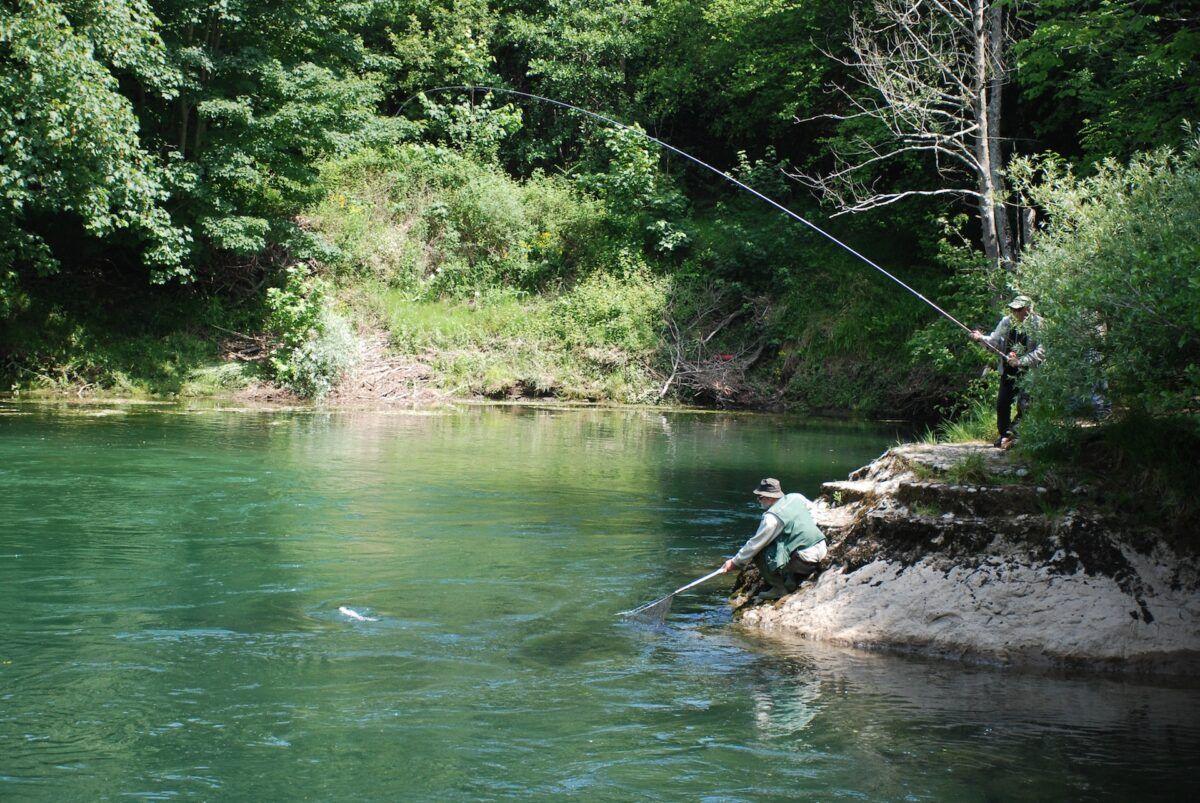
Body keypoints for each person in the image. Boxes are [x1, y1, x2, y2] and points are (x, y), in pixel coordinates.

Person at [721, 478, 827, 600]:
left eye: (760, 497)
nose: (758, 500)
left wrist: (734, 563)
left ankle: (780, 588)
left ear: (770, 498)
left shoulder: (771, 519)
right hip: (822, 548)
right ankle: (791, 577)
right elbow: (814, 511)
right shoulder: (796, 497)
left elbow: (754, 545)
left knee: (759, 551)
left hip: (804, 560)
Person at [971, 295, 1045, 448]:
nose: (1014, 312)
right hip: (1008, 370)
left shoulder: (1039, 324)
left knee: (1025, 405)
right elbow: (994, 342)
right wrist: (980, 338)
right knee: (1002, 404)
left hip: (1030, 372)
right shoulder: (1006, 322)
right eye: (1012, 309)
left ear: (1028, 310)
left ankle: (1014, 435)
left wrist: (1020, 361)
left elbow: (1041, 351)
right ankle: (1004, 435)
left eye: (1018, 309)